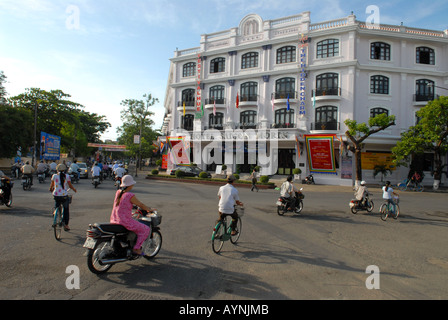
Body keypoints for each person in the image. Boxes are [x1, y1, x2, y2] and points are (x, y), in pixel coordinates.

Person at [110, 175, 154, 255]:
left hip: (114, 219)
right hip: (124, 221)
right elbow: (141, 204)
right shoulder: (129, 195)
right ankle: (136, 248)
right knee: (145, 229)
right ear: (130, 185)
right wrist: (149, 209)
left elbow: (123, 204)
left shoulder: (118, 192)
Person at [49, 164, 77, 231]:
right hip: (64, 196)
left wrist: (50, 189)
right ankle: (66, 225)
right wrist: (74, 189)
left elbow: (51, 186)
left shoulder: (54, 176)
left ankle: (55, 212)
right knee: (66, 209)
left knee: (57, 204)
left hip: (56, 195)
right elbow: (70, 186)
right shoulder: (67, 176)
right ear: (64, 170)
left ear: (57, 169)